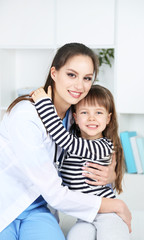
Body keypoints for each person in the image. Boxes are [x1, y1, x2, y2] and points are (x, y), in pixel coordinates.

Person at [0, 43, 131, 240]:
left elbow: (87, 159)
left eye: (87, 78)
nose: (80, 86)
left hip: (39, 209)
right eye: (72, 75)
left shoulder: (79, 116)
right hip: (6, 205)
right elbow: (54, 190)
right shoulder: (26, 116)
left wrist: (109, 174)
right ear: (54, 73)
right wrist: (116, 204)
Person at [31, 84, 129, 240]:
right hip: (85, 215)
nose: (92, 118)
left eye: (98, 112)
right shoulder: (73, 146)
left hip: (108, 212)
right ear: (75, 118)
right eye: (84, 112)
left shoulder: (102, 146)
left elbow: (63, 138)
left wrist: (44, 104)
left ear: (108, 118)